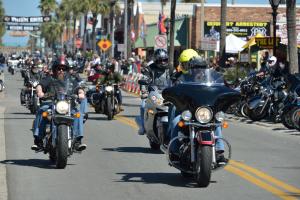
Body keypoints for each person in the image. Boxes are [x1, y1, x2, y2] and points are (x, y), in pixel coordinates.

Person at [167, 49, 227, 164]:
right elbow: (172, 89)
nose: (197, 69)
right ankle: (174, 152)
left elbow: (217, 87)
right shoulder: (178, 77)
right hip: (187, 110)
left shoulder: (209, 77)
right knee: (175, 122)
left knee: (217, 123)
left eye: (200, 67)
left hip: (203, 111)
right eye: (195, 67)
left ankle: (219, 151)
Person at [31, 55, 87, 152]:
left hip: (68, 105)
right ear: (55, 69)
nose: (61, 70)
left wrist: (81, 93)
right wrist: (40, 91)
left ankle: (77, 141)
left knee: (78, 114)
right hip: (50, 103)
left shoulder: (71, 80)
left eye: (63, 69)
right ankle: (38, 140)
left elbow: (78, 88)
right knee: (41, 111)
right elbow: (40, 85)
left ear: (66, 70)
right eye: (59, 68)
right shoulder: (50, 78)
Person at [138, 48, 171, 135]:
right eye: (160, 60)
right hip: (153, 94)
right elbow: (144, 80)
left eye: (165, 60)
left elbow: (177, 79)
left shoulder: (170, 69)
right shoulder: (149, 69)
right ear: (156, 60)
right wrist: (144, 92)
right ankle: (142, 126)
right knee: (143, 105)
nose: (163, 62)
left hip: (168, 94)